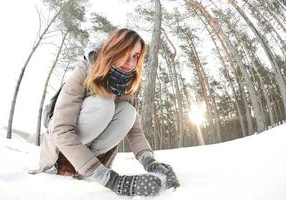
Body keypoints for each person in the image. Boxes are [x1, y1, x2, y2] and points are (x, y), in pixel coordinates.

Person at [35, 28, 180, 196]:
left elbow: (134, 130)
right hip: (61, 149)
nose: (130, 62)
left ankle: (87, 166)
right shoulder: (85, 69)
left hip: (91, 154)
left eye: (135, 56)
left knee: (129, 113)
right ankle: (67, 164)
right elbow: (61, 130)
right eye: (124, 52)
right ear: (112, 49)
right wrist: (113, 181)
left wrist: (150, 162)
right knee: (104, 105)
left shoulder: (126, 82)